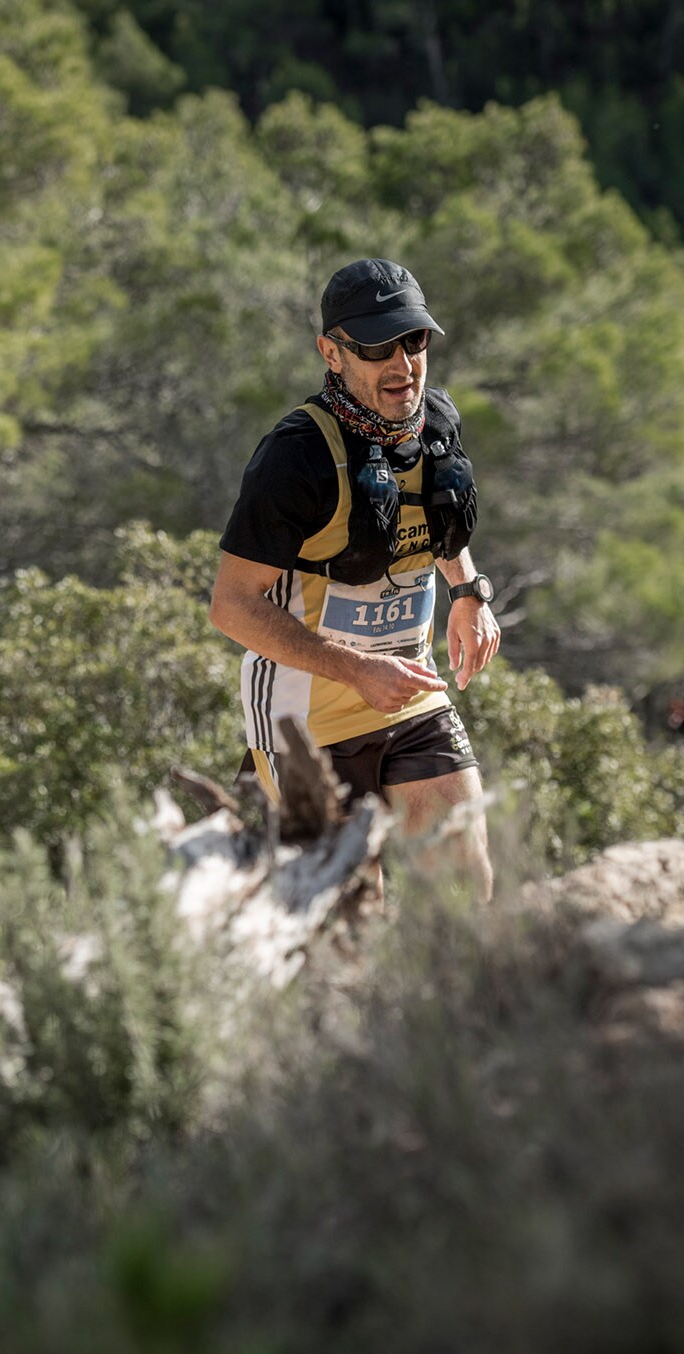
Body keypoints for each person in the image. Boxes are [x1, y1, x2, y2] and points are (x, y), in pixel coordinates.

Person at [209, 258, 499, 899]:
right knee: (337, 914)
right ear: (332, 353)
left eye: (413, 339)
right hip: (303, 720)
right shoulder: (297, 457)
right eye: (374, 346)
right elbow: (231, 606)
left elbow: (437, 521)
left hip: (412, 696)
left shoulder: (436, 426)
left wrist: (468, 590)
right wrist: (355, 669)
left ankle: (457, 1001)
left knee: (464, 886)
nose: (401, 364)